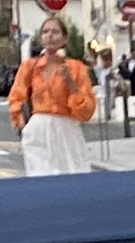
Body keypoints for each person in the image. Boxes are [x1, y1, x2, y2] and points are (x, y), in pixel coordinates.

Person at [7, 17, 96, 176]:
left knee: (72, 174)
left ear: (64, 39)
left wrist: (70, 83)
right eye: (45, 31)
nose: (50, 35)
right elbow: (16, 96)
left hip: (66, 129)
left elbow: (86, 110)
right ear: (41, 38)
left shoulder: (76, 68)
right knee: (40, 176)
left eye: (55, 32)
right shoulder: (30, 66)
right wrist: (21, 123)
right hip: (37, 130)